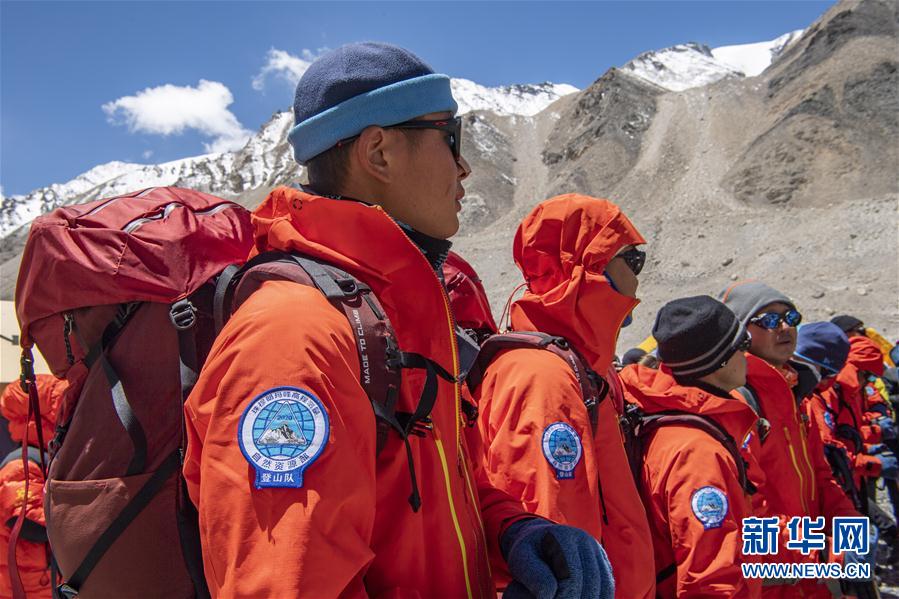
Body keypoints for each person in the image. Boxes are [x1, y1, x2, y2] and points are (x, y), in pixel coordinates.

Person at [183, 42, 612, 598]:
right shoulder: (294, 336)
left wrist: (512, 530)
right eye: (450, 137)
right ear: (379, 152)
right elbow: (287, 584)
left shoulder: (389, 316)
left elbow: (435, 496)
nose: (464, 166)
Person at [470, 194, 656, 598]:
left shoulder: (580, 367)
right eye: (633, 260)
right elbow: (554, 551)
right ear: (593, 266)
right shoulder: (545, 377)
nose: (639, 276)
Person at [720, 282, 860, 598]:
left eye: (791, 317)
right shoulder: (738, 403)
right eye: (769, 320)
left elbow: (821, 477)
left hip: (807, 577)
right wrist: (822, 553)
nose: (784, 327)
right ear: (741, 332)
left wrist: (850, 530)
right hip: (772, 582)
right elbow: (748, 510)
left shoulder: (798, 397)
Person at [620, 296, 761, 598]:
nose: (747, 355)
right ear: (718, 362)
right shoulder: (697, 453)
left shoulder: (673, 423)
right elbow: (709, 579)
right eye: (742, 344)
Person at [797, 323, 899, 564]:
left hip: (848, 484)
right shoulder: (826, 396)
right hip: (835, 490)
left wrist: (869, 443)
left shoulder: (846, 391)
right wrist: (871, 461)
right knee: (845, 562)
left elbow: (845, 436)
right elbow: (828, 457)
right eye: (868, 376)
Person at [0, 375, 65, 599]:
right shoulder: (23, 463)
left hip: (40, 583)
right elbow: (27, 523)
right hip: (27, 588)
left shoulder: (46, 461)